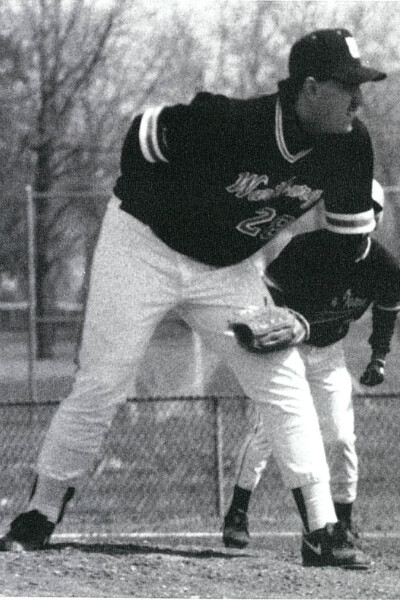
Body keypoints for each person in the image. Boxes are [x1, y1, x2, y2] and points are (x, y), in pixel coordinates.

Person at [0, 29, 386, 568]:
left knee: (282, 376)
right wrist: (167, 204)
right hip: (143, 244)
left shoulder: (350, 145)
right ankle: (38, 514)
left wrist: (302, 314)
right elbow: (142, 136)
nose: (359, 100)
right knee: (104, 381)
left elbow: (346, 249)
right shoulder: (230, 123)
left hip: (227, 269)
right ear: (311, 87)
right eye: (349, 88)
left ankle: (323, 530)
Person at [223, 181, 400, 568]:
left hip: (329, 353)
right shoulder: (307, 247)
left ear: (378, 216)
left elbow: (387, 310)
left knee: (340, 436)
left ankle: (343, 524)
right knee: (268, 433)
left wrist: (379, 358)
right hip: (290, 351)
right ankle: (238, 508)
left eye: (366, 208)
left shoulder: (385, 266)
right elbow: (269, 292)